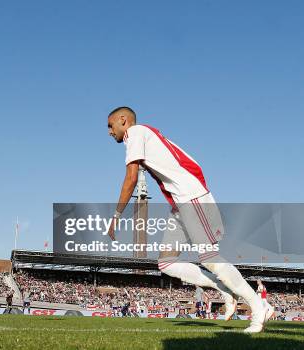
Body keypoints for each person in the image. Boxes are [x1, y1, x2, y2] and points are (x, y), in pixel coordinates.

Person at [106, 106, 272, 333]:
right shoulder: (144, 135)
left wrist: (116, 216)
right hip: (179, 203)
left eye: (110, 125)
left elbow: (131, 178)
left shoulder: (134, 134)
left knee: (209, 257)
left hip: (190, 195)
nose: (109, 131)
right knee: (166, 263)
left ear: (123, 120)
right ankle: (223, 289)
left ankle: (258, 305)